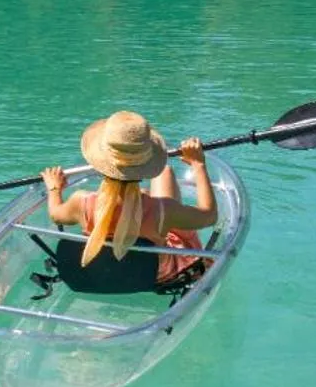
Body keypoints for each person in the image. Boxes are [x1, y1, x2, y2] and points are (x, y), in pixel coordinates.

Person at [42, 110, 218, 283]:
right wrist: (198, 164)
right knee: (165, 172)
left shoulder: (80, 202)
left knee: (157, 185)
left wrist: (54, 189)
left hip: (102, 272)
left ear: (100, 163)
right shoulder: (163, 210)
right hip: (158, 276)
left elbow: (55, 214)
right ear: (145, 167)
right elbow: (209, 216)